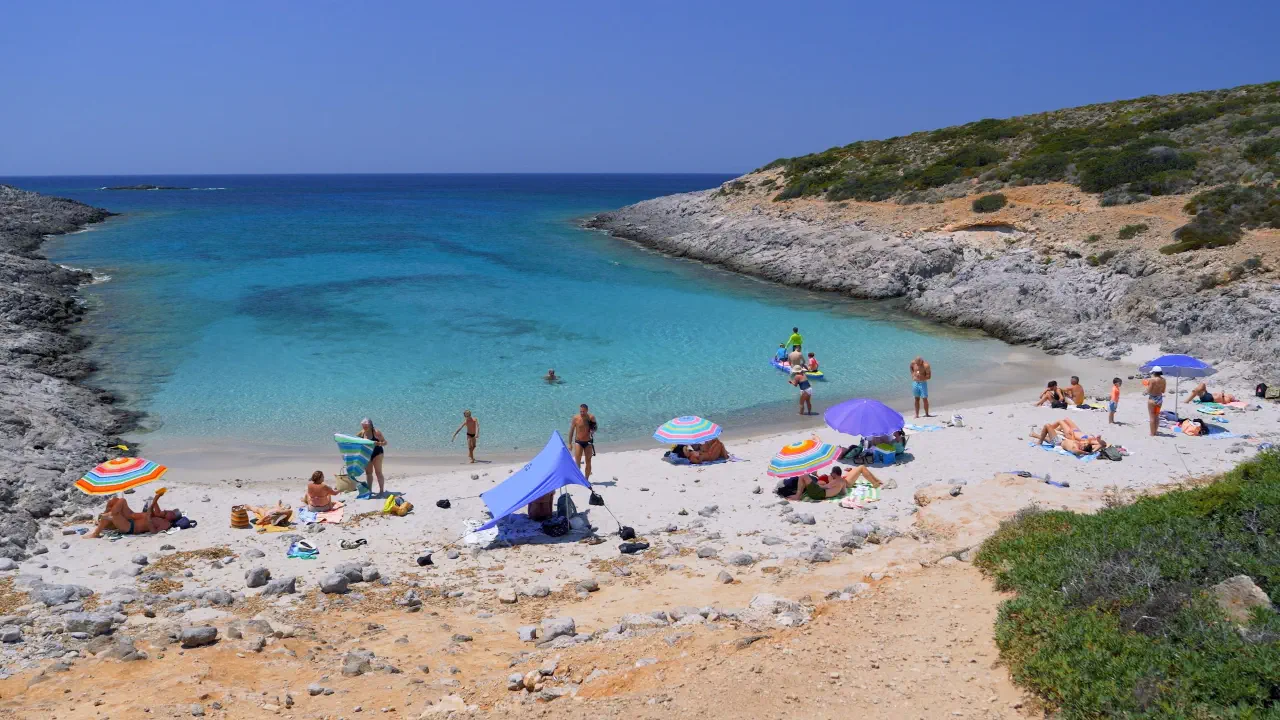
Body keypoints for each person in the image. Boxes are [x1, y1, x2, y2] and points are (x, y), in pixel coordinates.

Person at [85, 496, 162, 538]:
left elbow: (154, 532)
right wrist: (157, 497)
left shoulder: (162, 523)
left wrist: (149, 519)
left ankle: (96, 533)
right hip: (130, 518)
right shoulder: (155, 515)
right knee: (114, 500)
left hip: (130, 527)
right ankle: (108, 518)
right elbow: (156, 509)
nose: (165, 511)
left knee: (121, 501)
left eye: (166, 513)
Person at [1031, 418, 1107, 456]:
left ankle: (1039, 442)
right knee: (1047, 438)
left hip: (1058, 442)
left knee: (1047, 425)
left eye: (1083, 445)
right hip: (1062, 439)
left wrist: (1086, 453)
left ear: (1082, 449)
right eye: (1084, 443)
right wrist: (1072, 434)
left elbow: (1077, 451)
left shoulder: (1075, 448)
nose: (1082, 443)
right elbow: (1072, 440)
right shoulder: (1078, 443)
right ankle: (1034, 435)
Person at [357, 418, 388, 496]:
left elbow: (385, 442)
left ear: (370, 425)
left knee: (378, 472)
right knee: (368, 473)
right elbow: (354, 441)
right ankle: (369, 491)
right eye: (363, 425)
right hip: (366, 454)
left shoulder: (376, 432)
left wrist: (378, 443)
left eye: (366, 425)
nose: (365, 427)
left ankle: (381, 491)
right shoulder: (361, 433)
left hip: (377, 453)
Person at [569, 404, 597, 479]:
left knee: (588, 461)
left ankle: (586, 479)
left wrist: (593, 429)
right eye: (580, 411)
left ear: (587, 410)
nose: (582, 413)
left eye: (583, 411)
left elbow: (595, 428)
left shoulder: (591, 417)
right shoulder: (576, 418)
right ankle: (579, 478)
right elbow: (571, 431)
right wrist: (569, 443)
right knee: (577, 460)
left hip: (588, 442)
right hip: (578, 442)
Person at [1145, 367, 1167, 437]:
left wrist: (1146, 389)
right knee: (1157, 416)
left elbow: (1149, 391)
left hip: (1152, 399)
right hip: (1159, 399)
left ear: (1154, 372)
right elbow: (1163, 391)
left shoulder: (1152, 380)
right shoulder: (1163, 380)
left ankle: (1152, 434)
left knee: (1152, 416)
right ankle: (1155, 431)